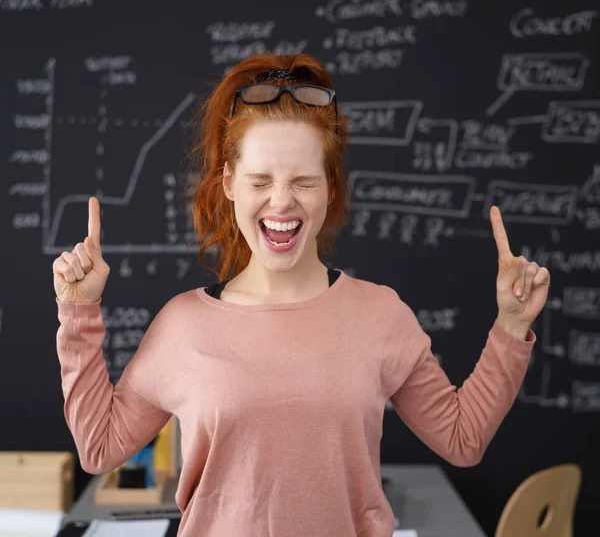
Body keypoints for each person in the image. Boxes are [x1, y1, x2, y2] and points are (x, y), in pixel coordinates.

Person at [52, 53, 548, 537]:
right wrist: (78, 312)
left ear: (330, 187)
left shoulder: (380, 313)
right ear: (229, 183)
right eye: (260, 180)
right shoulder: (182, 325)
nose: (281, 201)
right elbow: (99, 447)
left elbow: (462, 440)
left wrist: (511, 326)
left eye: (303, 181)